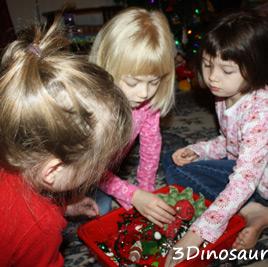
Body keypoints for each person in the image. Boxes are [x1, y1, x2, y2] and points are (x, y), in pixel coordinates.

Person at [0, 19, 132, 266]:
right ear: (53, 170)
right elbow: (22, 218)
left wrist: (63, 205)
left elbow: (15, 201)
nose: (99, 171)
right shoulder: (40, 226)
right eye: (97, 165)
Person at [162, 9, 268, 266]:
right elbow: (229, 141)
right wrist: (200, 151)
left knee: (177, 171)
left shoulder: (263, 113)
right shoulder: (225, 95)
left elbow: (244, 179)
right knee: (173, 162)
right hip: (245, 170)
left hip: (264, 184)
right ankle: (250, 211)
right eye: (207, 65)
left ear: (256, 69)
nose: (212, 77)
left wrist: (198, 233)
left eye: (226, 70)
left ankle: (254, 210)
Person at [89, 7, 176, 226]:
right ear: (106, 67)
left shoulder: (147, 102)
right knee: (99, 217)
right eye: (133, 82)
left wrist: (145, 191)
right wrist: (133, 195)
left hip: (106, 164)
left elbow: (151, 145)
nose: (145, 93)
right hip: (79, 167)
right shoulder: (93, 109)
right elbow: (88, 167)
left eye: (154, 81)